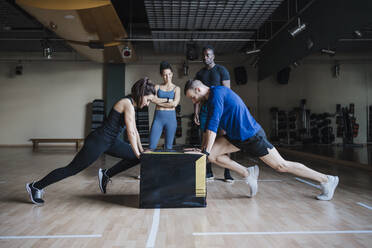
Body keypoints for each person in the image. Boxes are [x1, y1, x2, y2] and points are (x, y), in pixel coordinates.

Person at [184, 79, 339, 200]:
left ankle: (326, 180)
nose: (194, 101)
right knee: (211, 155)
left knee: (281, 165)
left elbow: (212, 129)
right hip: (235, 136)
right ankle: (247, 173)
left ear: (198, 89)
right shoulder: (209, 101)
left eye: (192, 97)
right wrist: (203, 150)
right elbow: (207, 131)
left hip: (252, 136)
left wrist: (203, 153)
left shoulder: (217, 94)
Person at [26, 78, 156, 205]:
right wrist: (140, 154)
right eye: (148, 100)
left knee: (137, 158)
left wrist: (141, 152)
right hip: (98, 141)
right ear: (141, 94)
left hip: (111, 142)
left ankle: (106, 174)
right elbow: (131, 133)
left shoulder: (131, 105)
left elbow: (136, 132)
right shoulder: (126, 103)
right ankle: (36, 186)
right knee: (72, 169)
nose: (147, 104)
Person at [194, 45, 234, 183]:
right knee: (205, 140)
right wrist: (196, 112)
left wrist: (226, 112)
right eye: (204, 55)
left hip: (220, 109)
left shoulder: (222, 70)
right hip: (205, 110)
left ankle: (227, 173)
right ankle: (209, 171)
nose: (206, 58)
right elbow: (196, 94)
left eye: (208, 55)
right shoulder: (200, 74)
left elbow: (227, 93)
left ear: (213, 56)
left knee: (224, 139)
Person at [148, 61, 181, 150]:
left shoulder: (176, 88)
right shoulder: (157, 87)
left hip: (171, 119)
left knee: (168, 147)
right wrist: (167, 100)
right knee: (151, 146)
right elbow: (153, 100)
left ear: (172, 74)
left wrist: (159, 102)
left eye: (169, 74)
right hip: (158, 119)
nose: (167, 77)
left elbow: (175, 103)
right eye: (165, 75)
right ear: (162, 75)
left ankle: (167, 164)